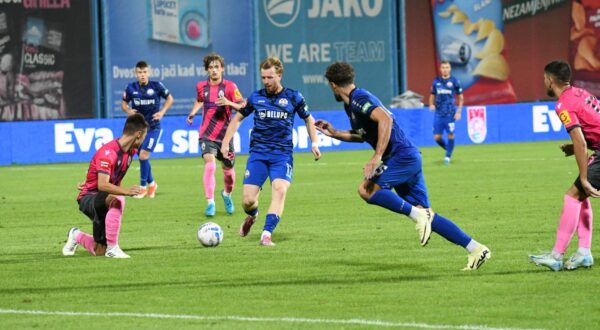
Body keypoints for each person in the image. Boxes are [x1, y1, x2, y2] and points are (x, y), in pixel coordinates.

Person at [316, 61, 489, 270]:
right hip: (406, 158)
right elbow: (363, 135)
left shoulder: (359, 98)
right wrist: (335, 133)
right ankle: (476, 249)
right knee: (428, 214)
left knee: (366, 190)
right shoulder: (351, 105)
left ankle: (419, 216)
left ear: (333, 85)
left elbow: (385, 120)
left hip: (401, 156)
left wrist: (376, 156)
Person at [220, 57, 321, 246]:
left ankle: (266, 234)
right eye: (263, 78)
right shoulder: (256, 97)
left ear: (279, 75)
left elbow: (308, 119)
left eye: (270, 77)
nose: (266, 81)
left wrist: (314, 142)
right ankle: (253, 216)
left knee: (280, 190)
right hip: (258, 154)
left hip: (281, 155)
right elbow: (237, 119)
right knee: (248, 201)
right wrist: (226, 142)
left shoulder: (293, 97)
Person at [529, 60, 597, 271]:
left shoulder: (563, 104)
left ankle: (556, 256)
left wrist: (584, 177)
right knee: (580, 197)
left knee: (572, 196)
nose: (544, 83)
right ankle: (584, 253)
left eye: (544, 79)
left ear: (550, 80)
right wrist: (574, 146)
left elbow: (581, 141)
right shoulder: (580, 93)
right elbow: (591, 125)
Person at [62, 113, 148, 258]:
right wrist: (126, 191)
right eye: (144, 137)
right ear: (138, 134)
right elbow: (102, 185)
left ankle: (76, 235)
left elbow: (104, 177)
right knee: (117, 198)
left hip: (102, 199)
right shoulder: (108, 153)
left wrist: (90, 180)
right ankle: (113, 249)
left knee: (99, 251)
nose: (144, 141)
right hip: (88, 198)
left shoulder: (130, 151)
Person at [187, 53, 245, 217]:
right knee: (210, 165)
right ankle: (210, 202)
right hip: (206, 134)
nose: (214, 70)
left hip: (226, 137)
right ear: (207, 70)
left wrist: (228, 103)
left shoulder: (230, 87)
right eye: (211, 67)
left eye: (216, 67)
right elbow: (200, 100)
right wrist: (192, 113)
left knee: (229, 174)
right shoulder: (201, 87)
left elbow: (243, 107)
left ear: (222, 69)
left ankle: (226, 194)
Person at [121, 61, 174, 198]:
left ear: (148, 72)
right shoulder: (131, 88)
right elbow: (124, 104)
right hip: (138, 129)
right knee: (142, 157)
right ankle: (152, 183)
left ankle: (143, 188)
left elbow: (170, 99)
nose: (142, 75)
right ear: (136, 73)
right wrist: (128, 110)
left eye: (145, 72)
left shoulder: (156, 86)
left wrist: (162, 112)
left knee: (144, 155)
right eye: (140, 72)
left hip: (153, 127)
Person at [428, 61, 463, 165]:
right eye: (443, 67)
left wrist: (459, 111)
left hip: (450, 113)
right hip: (438, 114)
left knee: (450, 135)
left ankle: (447, 156)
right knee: (437, 138)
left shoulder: (455, 81)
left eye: (447, 67)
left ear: (450, 69)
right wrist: (431, 104)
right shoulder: (436, 81)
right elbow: (432, 95)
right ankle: (448, 149)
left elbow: (460, 97)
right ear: (440, 69)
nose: (445, 69)